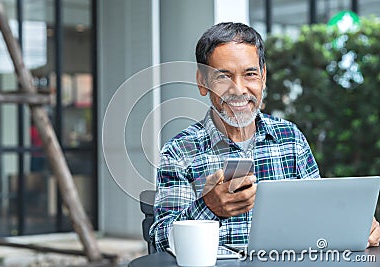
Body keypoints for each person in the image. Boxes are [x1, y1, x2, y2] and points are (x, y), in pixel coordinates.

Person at [149, 22, 380, 252]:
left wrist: (355, 227)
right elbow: (160, 239)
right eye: (223, 77)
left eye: (250, 74)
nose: (238, 89)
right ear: (203, 82)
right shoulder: (180, 151)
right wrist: (208, 207)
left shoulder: (291, 139)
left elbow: (319, 218)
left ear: (263, 76)